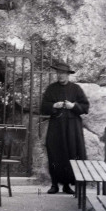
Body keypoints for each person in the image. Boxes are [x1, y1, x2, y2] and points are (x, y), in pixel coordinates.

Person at [40, 61, 89, 194]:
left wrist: (73, 107)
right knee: (55, 154)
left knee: (71, 154)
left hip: (72, 129)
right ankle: (54, 184)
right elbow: (43, 107)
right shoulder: (51, 89)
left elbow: (85, 107)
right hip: (56, 128)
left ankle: (67, 185)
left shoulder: (76, 89)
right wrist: (53, 106)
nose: (60, 76)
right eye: (58, 73)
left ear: (68, 74)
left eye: (63, 73)